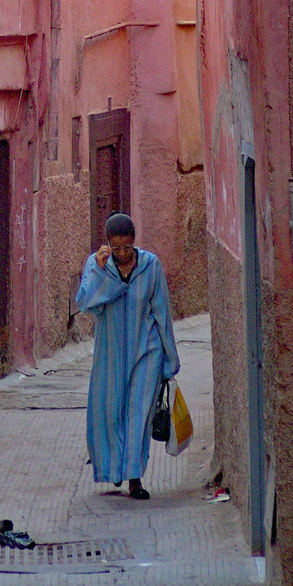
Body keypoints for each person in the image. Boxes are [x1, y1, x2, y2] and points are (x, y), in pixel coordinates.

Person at [75, 212, 180, 500]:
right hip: (109, 356)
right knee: (109, 414)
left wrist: (170, 360)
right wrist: (98, 271)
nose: (122, 254)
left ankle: (135, 478)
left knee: (139, 415)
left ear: (134, 243)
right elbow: (85, 303)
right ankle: (114, 470)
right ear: (108, 244)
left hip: (147, 351)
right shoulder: (97, 266)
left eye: (127, 247)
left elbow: (162, 313)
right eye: (117, 248)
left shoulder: (151, 266)